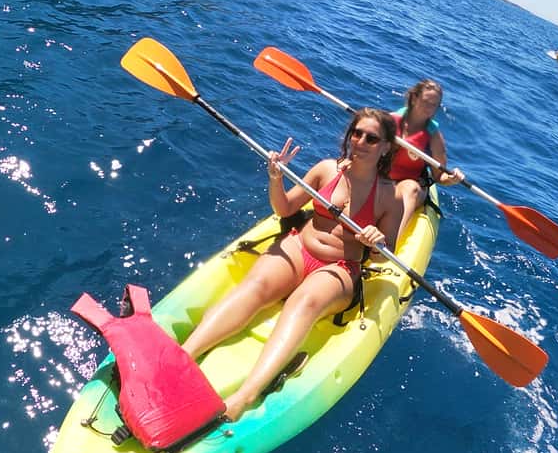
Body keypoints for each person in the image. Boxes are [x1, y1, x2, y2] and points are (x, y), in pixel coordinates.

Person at [181, 108, 402, 422]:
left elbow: (385, 253)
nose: (361, 142)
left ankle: (245, 396)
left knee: (304, 301)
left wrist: (376, 241)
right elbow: (284, 208)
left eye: (372, 138)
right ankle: (184, 355)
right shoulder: (327, 169)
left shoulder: (390, 196)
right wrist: (276, 179)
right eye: (357, 133)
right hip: (300, 246)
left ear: (386, 147)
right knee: (256, 285)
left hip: (340, 266)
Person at [389, 79, 463, 236]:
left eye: (434, 105)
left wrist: (452, 179)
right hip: (384, 179)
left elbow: (439, 176)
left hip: (409, 185)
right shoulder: (390, 121)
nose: (429, 108)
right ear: (414, 98)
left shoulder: (434, 136)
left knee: (411, 188)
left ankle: (392, 239)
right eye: (426, 102)